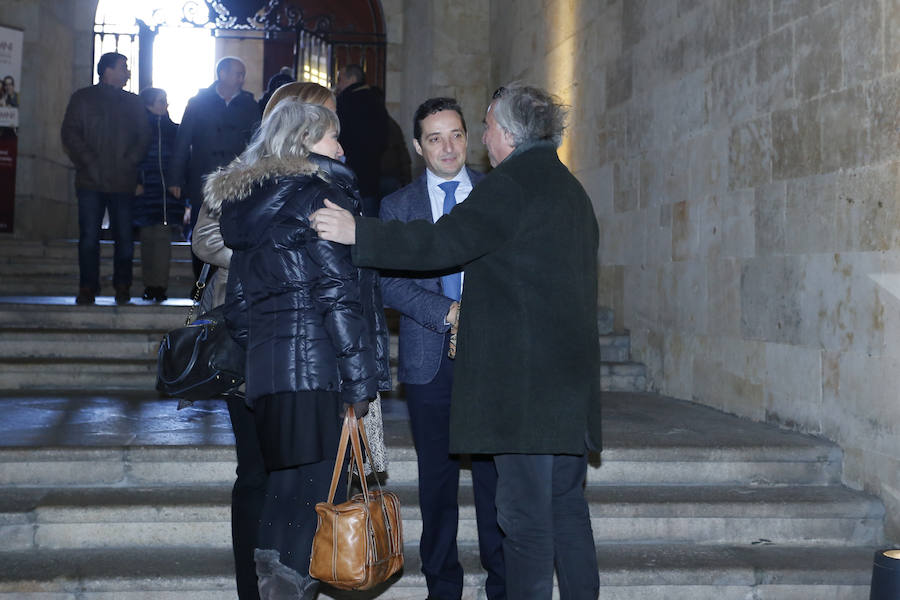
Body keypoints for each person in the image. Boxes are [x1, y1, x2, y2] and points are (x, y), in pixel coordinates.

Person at [311, 83, 602, 600]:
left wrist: (363, 233)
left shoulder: (511, 185)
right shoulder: (568, 188)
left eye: (484, 125)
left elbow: (444, 241)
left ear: (508, 133)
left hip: (524, 392)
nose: (480, 137)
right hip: (566, 388)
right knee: (567, 514)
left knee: (525, 523)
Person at [210, 99, 391, 599]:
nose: (341, 147)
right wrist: (360, 382)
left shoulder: (251, 206)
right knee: (315, 504)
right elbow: (338, 296)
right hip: (318, 374)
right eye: (332, 137)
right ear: (304, 143)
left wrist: (270, 352)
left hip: (270, 379)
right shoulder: (318, 197)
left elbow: (239, 310)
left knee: (282, 498)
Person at [379, 97, 505, 600]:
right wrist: (449, 313)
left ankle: (503, 581)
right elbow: (388, 281)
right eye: (435, 138)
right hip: (428, 357)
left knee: (497, 479)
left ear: (468, 137)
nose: (448, 147)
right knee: (437, 481)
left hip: (492, 360)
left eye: (455, 135)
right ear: (418, 146)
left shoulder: (498, 194)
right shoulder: (398, 207)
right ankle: (442, 585)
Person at [192, 82, 336, 308]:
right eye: (325, 116)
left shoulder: (327, 172)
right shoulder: (248, 169)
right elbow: (205, 239)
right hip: (243, 302)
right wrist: (272, 261)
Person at [61, 52, 150, 305]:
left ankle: (123, 286)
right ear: (108, 70)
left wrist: (130, 160)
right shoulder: (83, 98)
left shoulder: (134, 103)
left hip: (123, 181)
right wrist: (89, 161)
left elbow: (144, 136)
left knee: (125, 239)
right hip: (90, 180)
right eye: (123, 67)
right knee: (89, 237)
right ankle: (88, 287)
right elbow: (70, 133)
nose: (128, 72)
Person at [168, 56, 259, 274]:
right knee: (201, 231)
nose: (241, 78)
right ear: (222, 74)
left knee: (235, 230)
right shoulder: (198, 102)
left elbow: (258, 143)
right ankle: (200, 282)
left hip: (238, 181)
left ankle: (228, 281)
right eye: (238, 73)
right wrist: (175, 178)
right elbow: (182, 142)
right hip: (203, 178)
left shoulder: (249, 104)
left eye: (243, 74)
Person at [132, 88, 182, 302]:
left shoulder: (174, 130)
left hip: (167, 193)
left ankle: (159, 286)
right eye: (161, 101)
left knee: (162, 238)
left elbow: (181, 159)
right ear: (148, 104)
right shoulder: (137, 128)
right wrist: (136, 181)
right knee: (147, 238)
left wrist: (177, 182)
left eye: (166, 101)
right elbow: (130, 157)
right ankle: (149, 284)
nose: (165, 105)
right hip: (145, 190)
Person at [334, 64, 388, 216]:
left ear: (352, 78)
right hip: (372, 172)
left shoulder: (345, 101)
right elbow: (384, 139)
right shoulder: (376, 100)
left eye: (340, 78)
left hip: (349, 172)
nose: (338, 83)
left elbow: (340, 136)